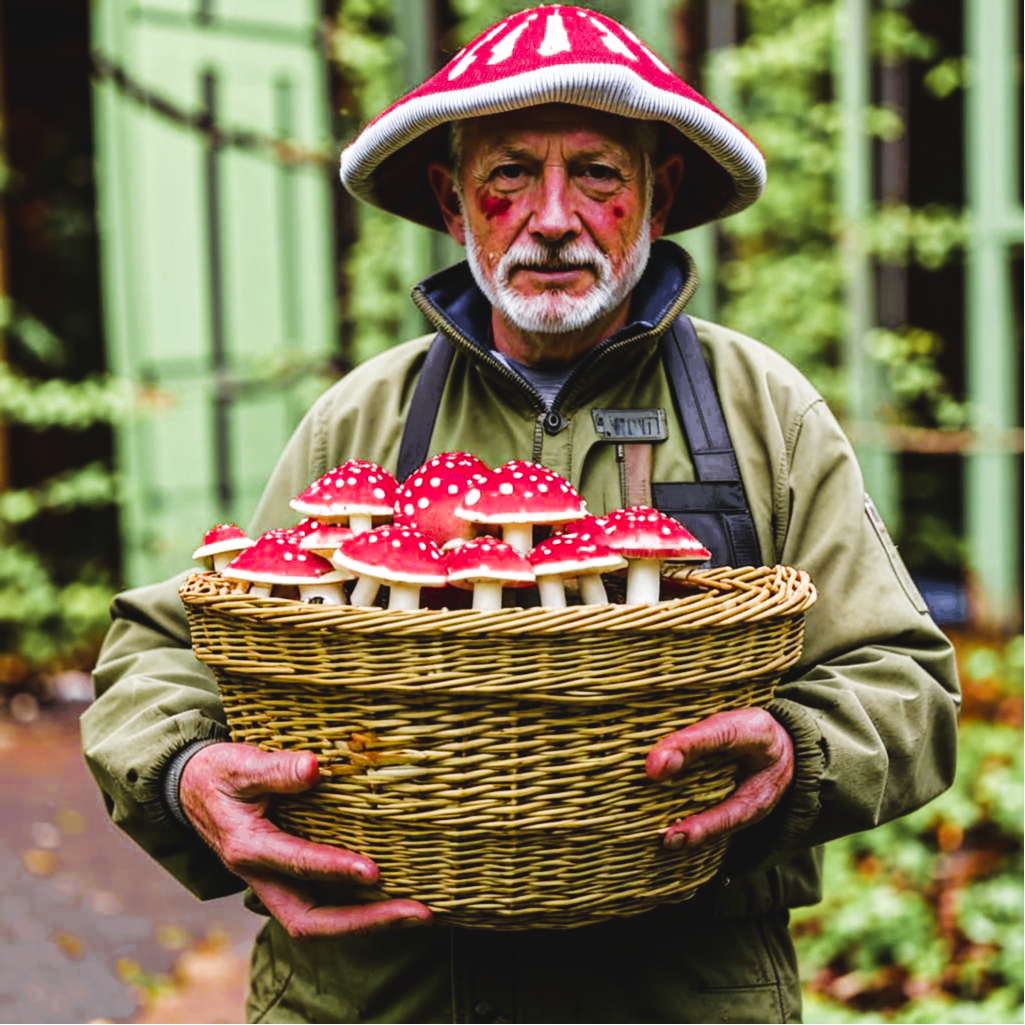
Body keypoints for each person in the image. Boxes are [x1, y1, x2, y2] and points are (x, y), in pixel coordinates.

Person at [82, 7, 959, 1023]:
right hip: (383, 991)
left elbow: (905, 683)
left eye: (595, 171)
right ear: (452, 203)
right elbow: (176, 639)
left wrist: (798, 747)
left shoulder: (760, 411)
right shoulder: (363, 417)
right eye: (506, 174)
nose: (550, 216)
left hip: (673, 992)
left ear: (657, 196)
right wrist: (184, 768)